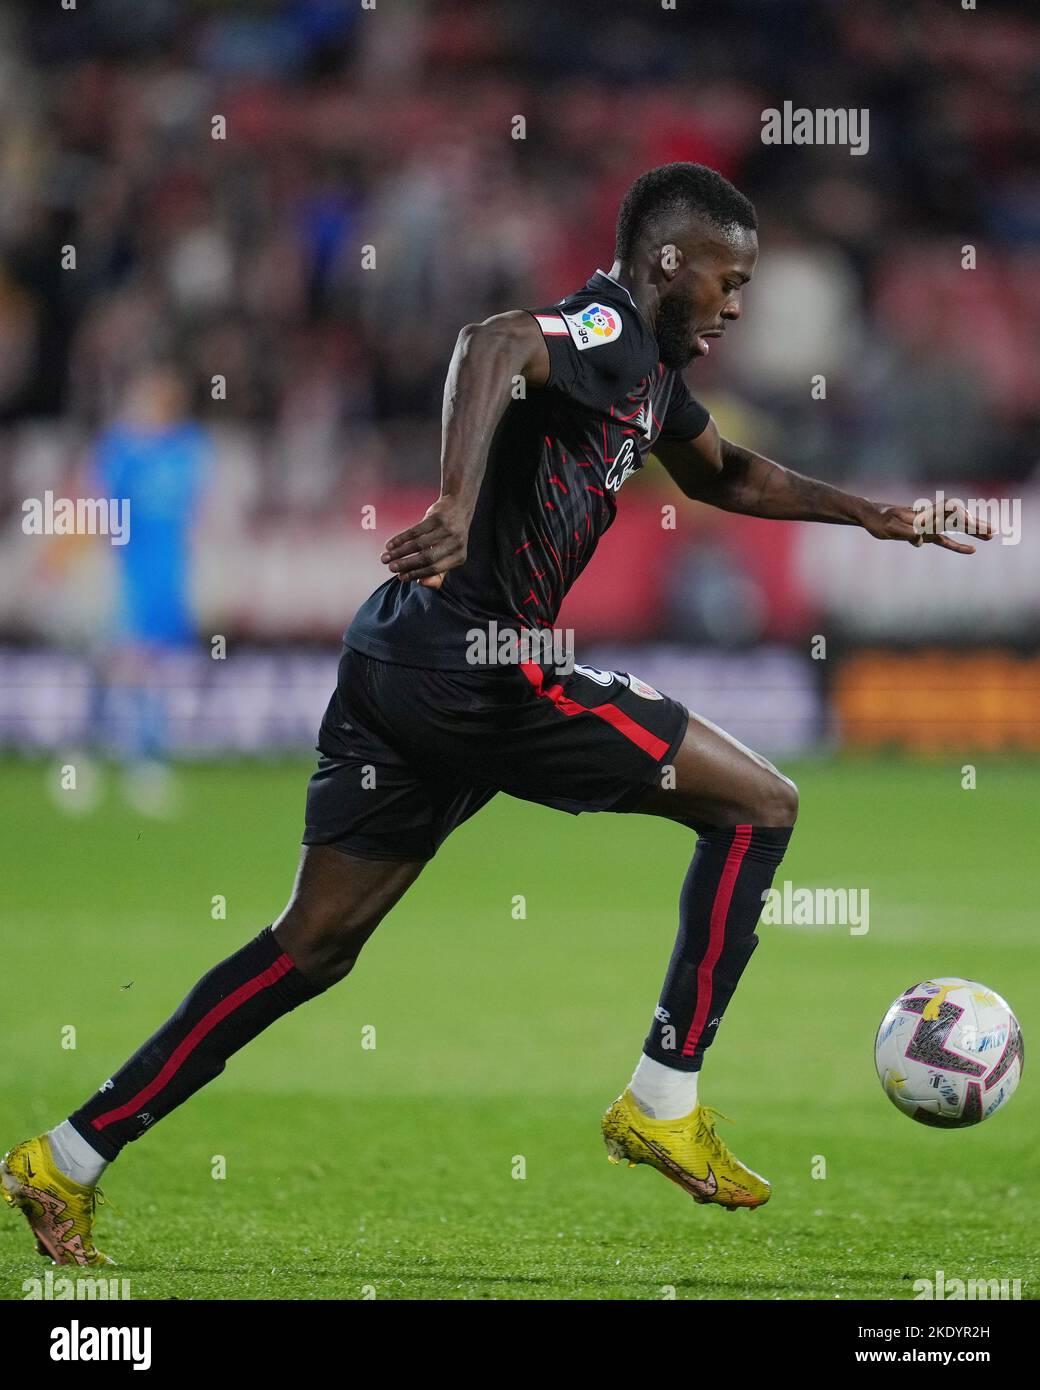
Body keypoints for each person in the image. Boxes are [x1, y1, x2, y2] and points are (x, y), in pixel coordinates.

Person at [2, 163, 990, 1266]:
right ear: (669, 261)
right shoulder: (607, 324)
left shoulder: (650, 376)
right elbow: (488, 343)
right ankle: (662, 1098)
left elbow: (727, 476)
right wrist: (457, 501)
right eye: (727, 279)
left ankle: (68, 1156)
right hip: (480, 670)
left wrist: (876, 515)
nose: (736, 304)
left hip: (395, 663)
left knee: (312, 944)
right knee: (759, 805)